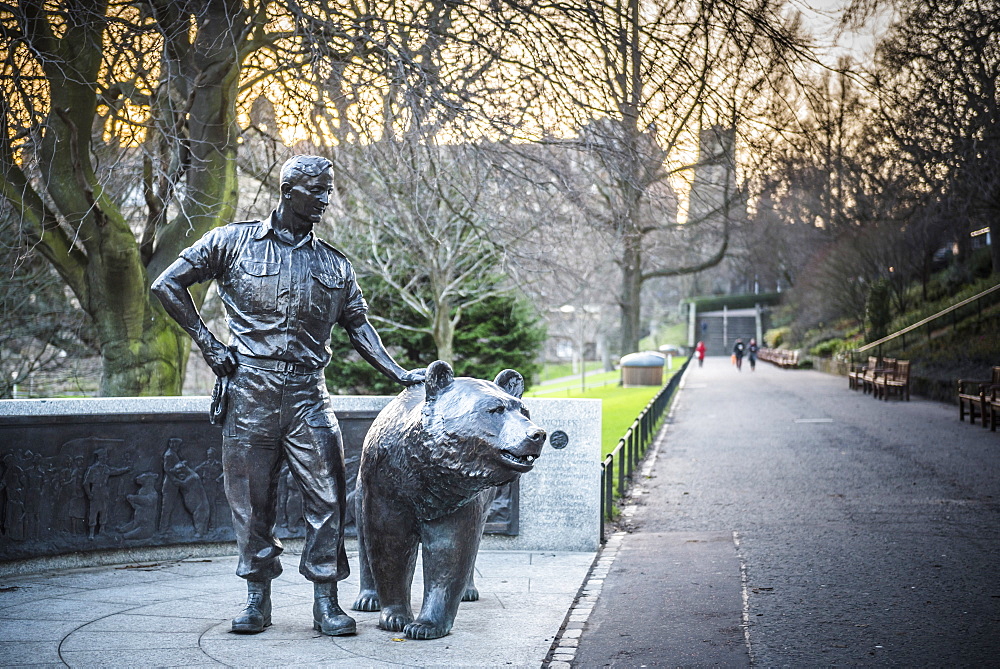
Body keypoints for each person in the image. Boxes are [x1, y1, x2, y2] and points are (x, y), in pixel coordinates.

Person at [152, 155, 425, 637]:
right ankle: (257, 599)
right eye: (317, 190)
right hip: (249, 392)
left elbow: (359, 327)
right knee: (252, 503)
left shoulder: (334, 264)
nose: (324, 199)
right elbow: (166, 284)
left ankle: (326, 601)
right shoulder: (231, 241)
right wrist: (210, 344)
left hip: (308, 394)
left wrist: (400, 373)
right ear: (289, 190)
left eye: (328, 190)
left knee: (328, 497)